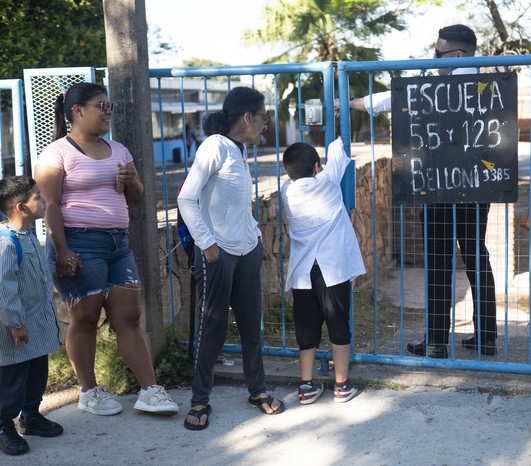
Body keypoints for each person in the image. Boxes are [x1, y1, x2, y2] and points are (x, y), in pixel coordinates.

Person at [336, 24, 497, 358]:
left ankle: (437, 341)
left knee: (438, 262)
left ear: (458, 54)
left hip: (438, 186)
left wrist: (351, 103)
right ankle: (486, 337)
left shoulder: (438, 85)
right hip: (476, 189)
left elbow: (391, 98)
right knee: (477, 257)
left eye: (437, 53)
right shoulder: (492, 87)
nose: (432, 59)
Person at [34, 83, 179, 417]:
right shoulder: (56, 153)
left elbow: (136, 196)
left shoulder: (119, 149)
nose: (108, 112)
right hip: (80, 244)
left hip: (118, 244)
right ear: (78, 110)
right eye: (101, 106)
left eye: (109, 105)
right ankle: (89, 391)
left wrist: (131, 179)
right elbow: (50, 206)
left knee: (129, 316)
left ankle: (149, 390)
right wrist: (62, 250)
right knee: (85, 318)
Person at [177, 86, 285, 430]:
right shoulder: (214, 147)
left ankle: (257, 389)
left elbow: (236, 203)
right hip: (217, 253)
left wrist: (254, 234)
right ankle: (199, 400)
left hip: (245, 251)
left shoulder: (238, 149)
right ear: (247, 117)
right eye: (264, 117)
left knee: (252, 324)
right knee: (213, 326)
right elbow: (186, 199)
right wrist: (206, 242)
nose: (266, 125)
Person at [281, 139, 365, 404]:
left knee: (306, 332)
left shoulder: (286, 191)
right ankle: (341, 386)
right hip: (332, 272)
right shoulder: (328, 184)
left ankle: (306, 387)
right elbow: (338, 155)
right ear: (317, 167)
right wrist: (337, 126)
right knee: (339, 326)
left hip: (302, 275)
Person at [0, 176, 62, 456]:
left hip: (36, 325)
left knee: (37, 371)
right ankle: (4, 425)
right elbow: (4, 288)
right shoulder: (6, 244)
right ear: (21, 208)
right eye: (38, 196)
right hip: (17, 329)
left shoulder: (27, 236)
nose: (44, 200)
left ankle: (30, 416)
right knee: (14, 378)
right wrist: (16, 323)